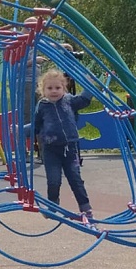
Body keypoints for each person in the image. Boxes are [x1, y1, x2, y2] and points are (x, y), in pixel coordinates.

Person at [34, 69, 94, 218]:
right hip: (50, 150)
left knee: (75, 179)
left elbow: (84, 100)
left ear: (64, 88)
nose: (54, 91)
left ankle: (85, 207)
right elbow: (36, 126)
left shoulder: (69, 100)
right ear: (43, 90)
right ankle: (53, 205)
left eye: (57, 87)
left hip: (70, 148)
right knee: (53, 180)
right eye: (49, 88)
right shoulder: (42, 106)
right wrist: (20, 130)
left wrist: (90, 84)